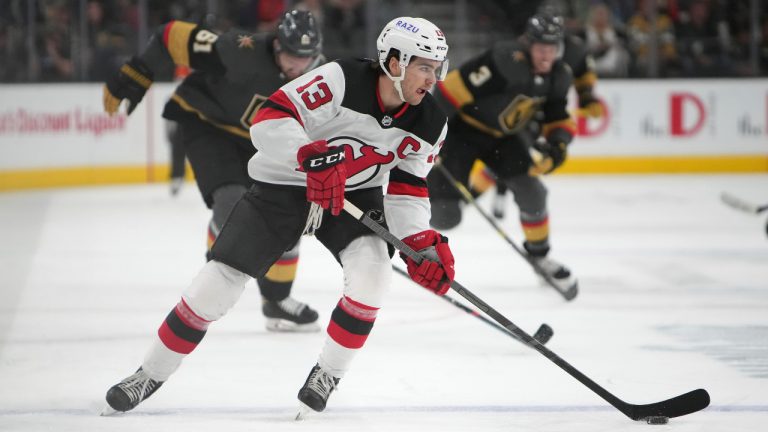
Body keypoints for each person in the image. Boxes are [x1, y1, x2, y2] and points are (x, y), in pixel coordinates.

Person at [101, 16, 454, 416]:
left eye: (437, 68)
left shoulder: (431, 122)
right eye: (425, 66)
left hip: (354, 194)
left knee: (373, 274)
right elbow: (270, 118)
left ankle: (328, 374)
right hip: (285, 184)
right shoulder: (339, 79)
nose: (433, 78)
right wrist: (308, 156)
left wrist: (419, 242)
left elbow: (408, 190)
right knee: (217, 285)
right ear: (394, 63)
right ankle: (149, 372)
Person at [103, 10, 326, 332]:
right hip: (208, 125)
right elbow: (172, 34)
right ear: (277, 45)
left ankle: (277, 300)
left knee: (289, 211)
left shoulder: (321, 76)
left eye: (305, 58)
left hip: (260, 141)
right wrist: (140, 69)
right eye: (291, 55)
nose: (297, 65)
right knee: (232, 202)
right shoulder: (240, 49)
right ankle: (216, 276)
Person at [428, 11, 577, 293]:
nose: (547, 55)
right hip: (464, 133)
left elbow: (557, 115)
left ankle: (540, 256)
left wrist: (557, 146)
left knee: (533, 192)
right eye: (541, 48)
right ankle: (408, 231)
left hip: (503, 139)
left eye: (552, 48)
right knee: (446, 217)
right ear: (528, 45)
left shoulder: (559, 74)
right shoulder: (504, 61)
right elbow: (448, 92)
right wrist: (432, 135)